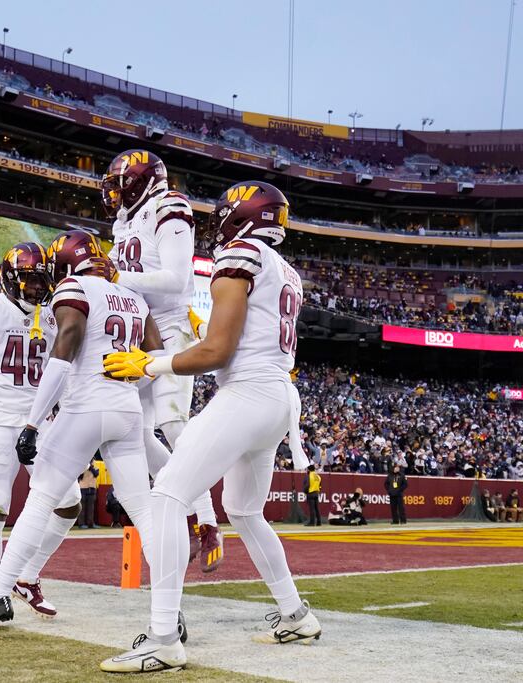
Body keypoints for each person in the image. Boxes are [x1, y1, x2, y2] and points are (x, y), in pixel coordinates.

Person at [100, 182, 320, 671]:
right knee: (243, 509)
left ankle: (162, 639)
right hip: (278, 399)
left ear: (237, 216)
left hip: (249, 393)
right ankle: (295, 613)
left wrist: (149, 364)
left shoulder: (240, 255)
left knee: (168, 496)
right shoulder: (285, 270)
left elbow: (216, 353)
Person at [0, 231, 166, 637]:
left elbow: (65, 352)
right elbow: (158, 359)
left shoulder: (76, 288)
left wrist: (32, 423)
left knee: (41, 497)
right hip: (126, 408)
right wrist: (127, 390)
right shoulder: (132, 297)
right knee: (145, 512)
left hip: (85, 406)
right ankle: (169, 612)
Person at [103, 149, 223, 572]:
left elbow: (175, 281)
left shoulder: (168, 207)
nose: (114, 191)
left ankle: (207, 523)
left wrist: (117, 277)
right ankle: (188, 511)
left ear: (138, 180)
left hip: (171, 328)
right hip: (140, 333)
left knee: (173, 422)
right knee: (124, 424)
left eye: (119, 181)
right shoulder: (125, 223)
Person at [0, 242, 81, 627]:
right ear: (9, 280)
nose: (37, 291)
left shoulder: (55, 316)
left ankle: (26, 575)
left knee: (70, 502)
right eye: (29, 283)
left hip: (39, 426)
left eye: (42, 283)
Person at [78, 460, 99, 529]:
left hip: (92, 488)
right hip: (83, 488)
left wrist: (91, 468)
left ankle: (91, 523)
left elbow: (96, 474)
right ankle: (81, 524)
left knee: (91, 508)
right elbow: (79, 477)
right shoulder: (82, 466)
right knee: (82, 507)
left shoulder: (95, 466)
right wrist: (85, 468)